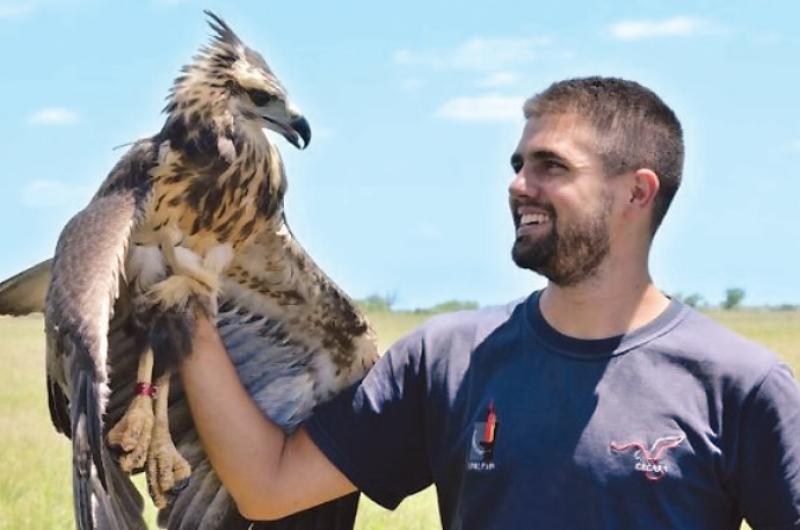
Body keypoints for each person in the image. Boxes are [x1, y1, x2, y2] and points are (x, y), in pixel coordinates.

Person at [180, 77, 800, 529]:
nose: (518, 184)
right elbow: (268, 487)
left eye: (551, 166)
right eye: (518, 163)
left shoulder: (739, 385)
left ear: (637, 193)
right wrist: (186, 312)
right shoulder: (447, 358)